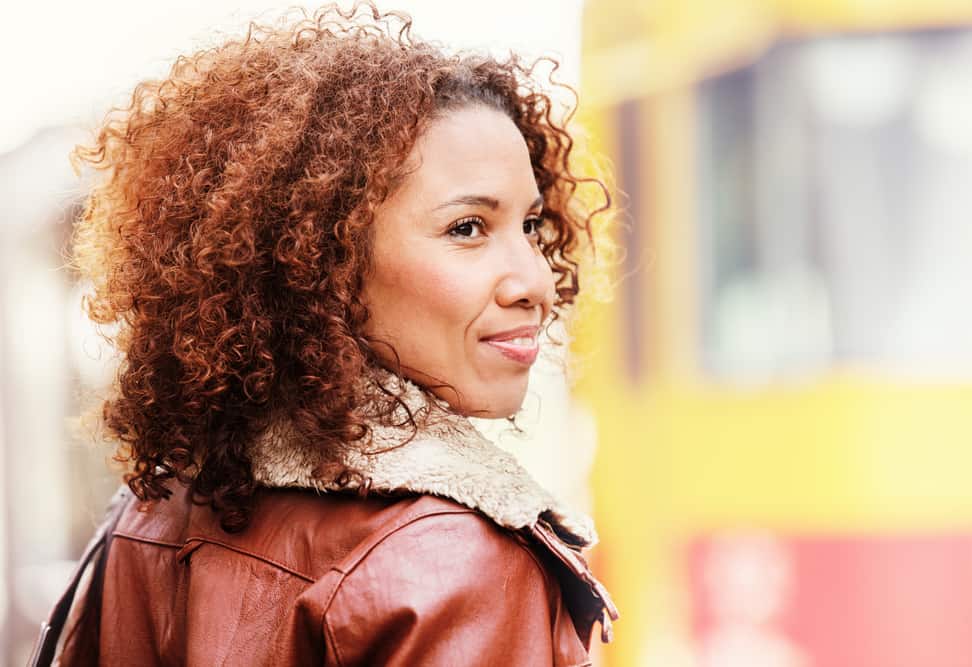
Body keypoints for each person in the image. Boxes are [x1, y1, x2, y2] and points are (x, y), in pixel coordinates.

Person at [45, 2, 617, 664]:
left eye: (530, 227)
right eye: (467, 228)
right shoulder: (451, 564)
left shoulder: (155, 510)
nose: (536, 281)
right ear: (321, 259)